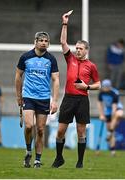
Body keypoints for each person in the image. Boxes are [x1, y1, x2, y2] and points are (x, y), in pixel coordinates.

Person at [51, 10, 101, 168]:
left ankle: (80, 162)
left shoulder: (91, 66)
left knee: (81, 132)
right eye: (77, 48)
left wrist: (86, 86)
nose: (77, 50)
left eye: (80, 48)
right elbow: (63, 43)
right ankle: (59, 158)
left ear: (86, 50)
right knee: (60, 131)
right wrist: (64, 23)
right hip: (68, 98)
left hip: (82, 100)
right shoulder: (70, 58)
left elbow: (98, 84)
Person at [15, 31, 59, 168]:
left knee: (40, 129)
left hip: (44, 98)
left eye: (46, 41)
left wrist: (55, 101)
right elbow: (18, 77)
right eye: (41, 40)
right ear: (35, 41)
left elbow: (56, 80)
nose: (44, 43)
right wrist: (18, 96)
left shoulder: (51, 59)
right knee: (29, 126)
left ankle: (37, 160)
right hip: (28, 96)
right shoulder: (25, 57)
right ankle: (28, 151)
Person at [97, 79, 124, 156]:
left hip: (117, 109)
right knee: (111, 130)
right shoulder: (101, 93)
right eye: (104, 87)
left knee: (118, 114)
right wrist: (101, 115)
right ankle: (113, 151)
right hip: (108, 111)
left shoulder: (114, 93)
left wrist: (112, 119)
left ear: (109, 87)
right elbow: (100, 104)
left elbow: (114, 108)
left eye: (106, 87)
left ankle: (109, 132)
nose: (105, 88)